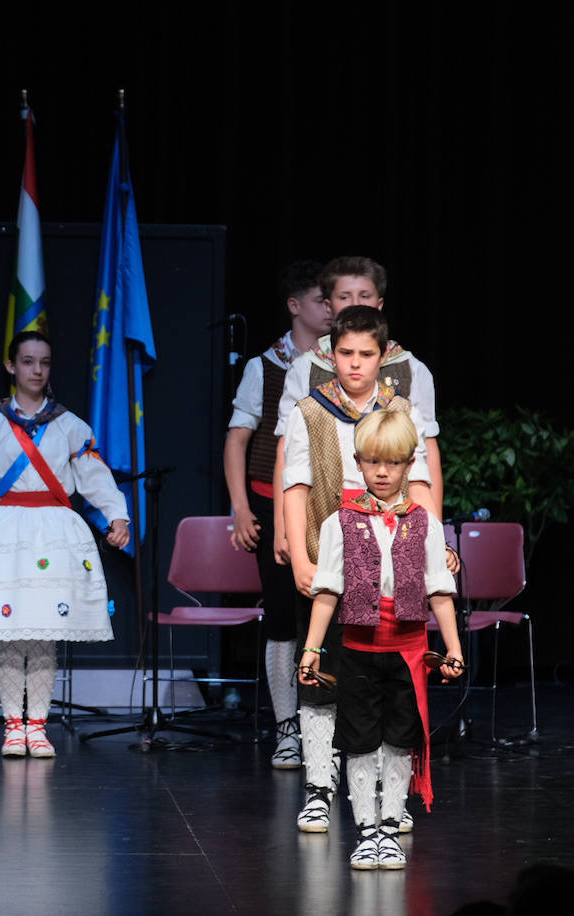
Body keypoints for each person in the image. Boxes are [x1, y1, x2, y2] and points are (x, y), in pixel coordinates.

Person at [280, 304, 443, 834]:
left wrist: (431, 542)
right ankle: (318, 788)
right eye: (345, 353)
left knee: (388, 681)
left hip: (391, 555)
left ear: (383, 356)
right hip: (332, 551)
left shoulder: (401, 411)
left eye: (365, 354)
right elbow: (295, 486)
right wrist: (301, 555)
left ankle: (384, 796)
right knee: (323, 676)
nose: (355, 365)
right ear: (330, 354)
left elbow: (418, 481)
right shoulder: (311, 410)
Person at [0, 331, 130, 757]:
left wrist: (118, 515)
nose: (36, 370)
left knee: (44, 634)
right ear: (11, 366)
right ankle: (12, 726)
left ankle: (37, 725)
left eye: (43, 362)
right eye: (27, 362)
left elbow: (95, 478)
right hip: (4, 533)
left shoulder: (72, 426)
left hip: (53, 534)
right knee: (9, 634)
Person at [298, 408, 463, 870]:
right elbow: (327, 591)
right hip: (358, 652)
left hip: (408, 653)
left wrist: (453, 648)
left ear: (410, 465)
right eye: (373, 462)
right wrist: (312, 649)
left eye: (392, 463)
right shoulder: (340, 523)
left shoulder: (425, 524)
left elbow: (440, 592)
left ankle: (390, 828)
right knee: (359, 741)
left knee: (399, 742)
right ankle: (365, 831)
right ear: (359, 462)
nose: (383, 472)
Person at [223, 259, 329, 769]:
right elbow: (237, 441)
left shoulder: (344, 361)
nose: (331, 308)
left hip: (330, 503)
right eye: (320, 300)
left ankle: (325, 725)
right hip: (273, 501)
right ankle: (288, 726)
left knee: (329, 612)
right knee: (284, 616)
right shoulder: (264, 366)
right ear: (295, 306)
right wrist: (242, 509)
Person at [274, 255, 444, 512]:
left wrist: (435, 529)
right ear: (329, 306)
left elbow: (425, 454)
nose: (355, 304)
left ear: (380, 303)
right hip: (321, 514)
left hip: (393, 512)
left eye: (364, 296)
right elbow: (287, 454)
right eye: (344, 297)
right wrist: (282, 529)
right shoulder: (306, 368)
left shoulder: (410, 368)